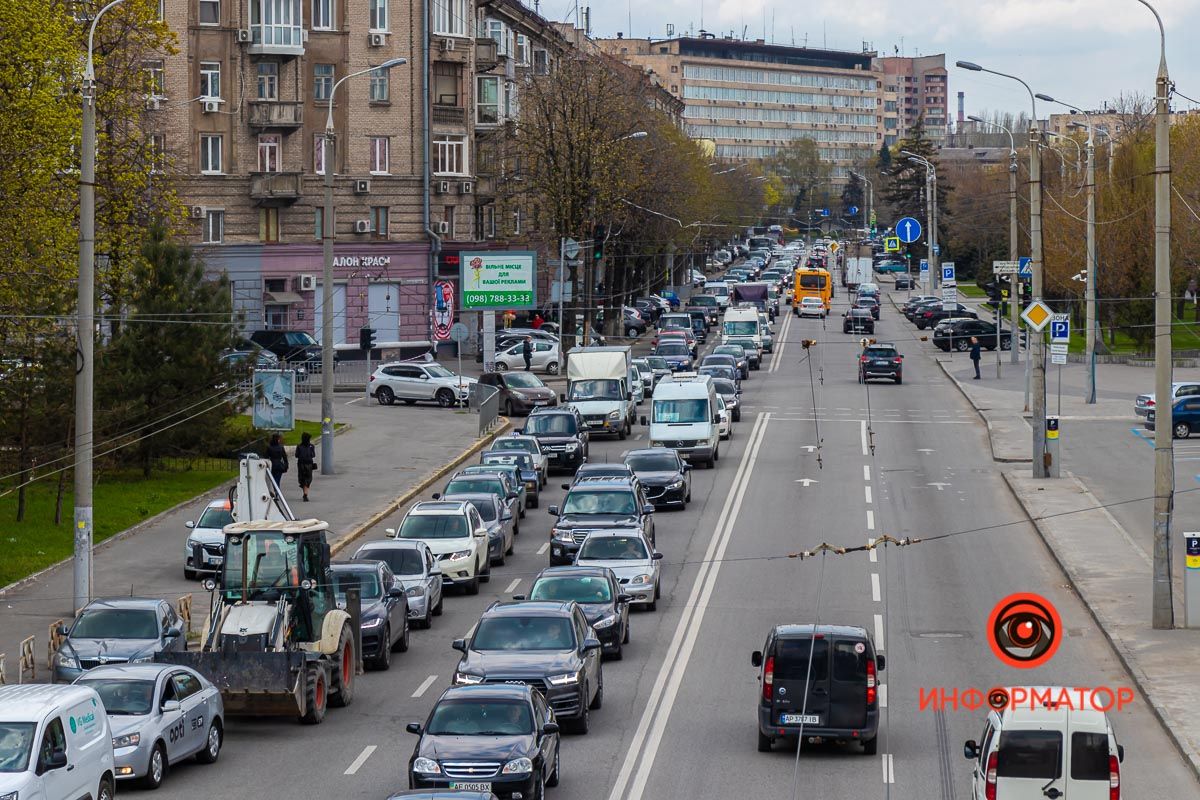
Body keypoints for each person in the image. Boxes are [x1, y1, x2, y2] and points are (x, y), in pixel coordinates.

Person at [295, 431, 316, 502]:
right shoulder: (311, 446)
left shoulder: (299, 446)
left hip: (301, 464)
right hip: (309, 464)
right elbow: (313, 455)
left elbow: (296, 455)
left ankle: (305, 493)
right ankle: (305, 494)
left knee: (303, 479)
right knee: (308, 478)